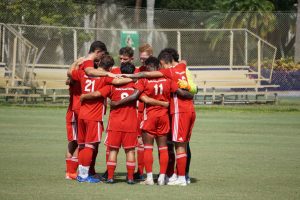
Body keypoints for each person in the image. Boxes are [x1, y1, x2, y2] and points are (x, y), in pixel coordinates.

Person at [122, 51, 196, 186]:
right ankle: (163, 177)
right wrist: (191, 95)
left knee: (148, 147)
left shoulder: (146, 79)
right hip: (164, 117)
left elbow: (138, 95)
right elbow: (180, 91)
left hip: (150, 116)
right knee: (164, 148)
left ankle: (150, 178)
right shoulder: (168, 78)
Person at [67, 55, 132, 183]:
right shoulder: (106, 77)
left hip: (82, 114)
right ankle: (84, 175)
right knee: (90, 146)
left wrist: (76, 62)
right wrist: (133, 78)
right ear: (110, 67)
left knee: (82, 145)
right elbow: (118, 82)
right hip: (94, 117)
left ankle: (81, 172)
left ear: (99, 63)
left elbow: (69, 73)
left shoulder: (82, 73)